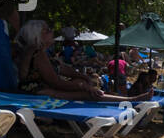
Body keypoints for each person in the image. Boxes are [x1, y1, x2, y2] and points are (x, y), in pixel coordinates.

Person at [16, 20, 147, 103]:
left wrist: (82, 77)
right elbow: (55, 82)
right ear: (37, 35)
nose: (52, 32)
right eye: (48, 30)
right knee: (87, 93)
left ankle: (126, 99)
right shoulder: (37, 53)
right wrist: (85, 87)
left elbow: (64, 69)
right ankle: (131, 100)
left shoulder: (43, 52)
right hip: (36, 92)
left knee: (84, 85)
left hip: (43, 88)